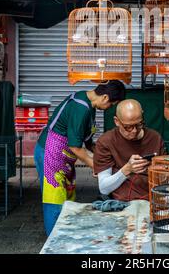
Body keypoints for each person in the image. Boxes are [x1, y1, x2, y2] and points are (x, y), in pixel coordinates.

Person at [34, 80, 126, 236]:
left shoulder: (88, 101)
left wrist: (102, 158)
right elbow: (75, 147)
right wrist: (96, 166)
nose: (109, 108)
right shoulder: (81, 108)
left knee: (68, 199)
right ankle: (55, 242)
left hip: (63, 158)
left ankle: (64, 235)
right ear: (104, 97)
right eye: (111, 104)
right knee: (55, 201)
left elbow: (87, 141)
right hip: (49, 153)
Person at [93, 99, 165, 202]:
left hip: (154, 199)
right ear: (116, 121)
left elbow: (164, 177)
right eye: (128, 127)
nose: (134, 131)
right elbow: (104, 188)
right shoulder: (106, 142)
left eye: (139, 124)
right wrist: (127, 170)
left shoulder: (155, 138)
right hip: (123, 202)